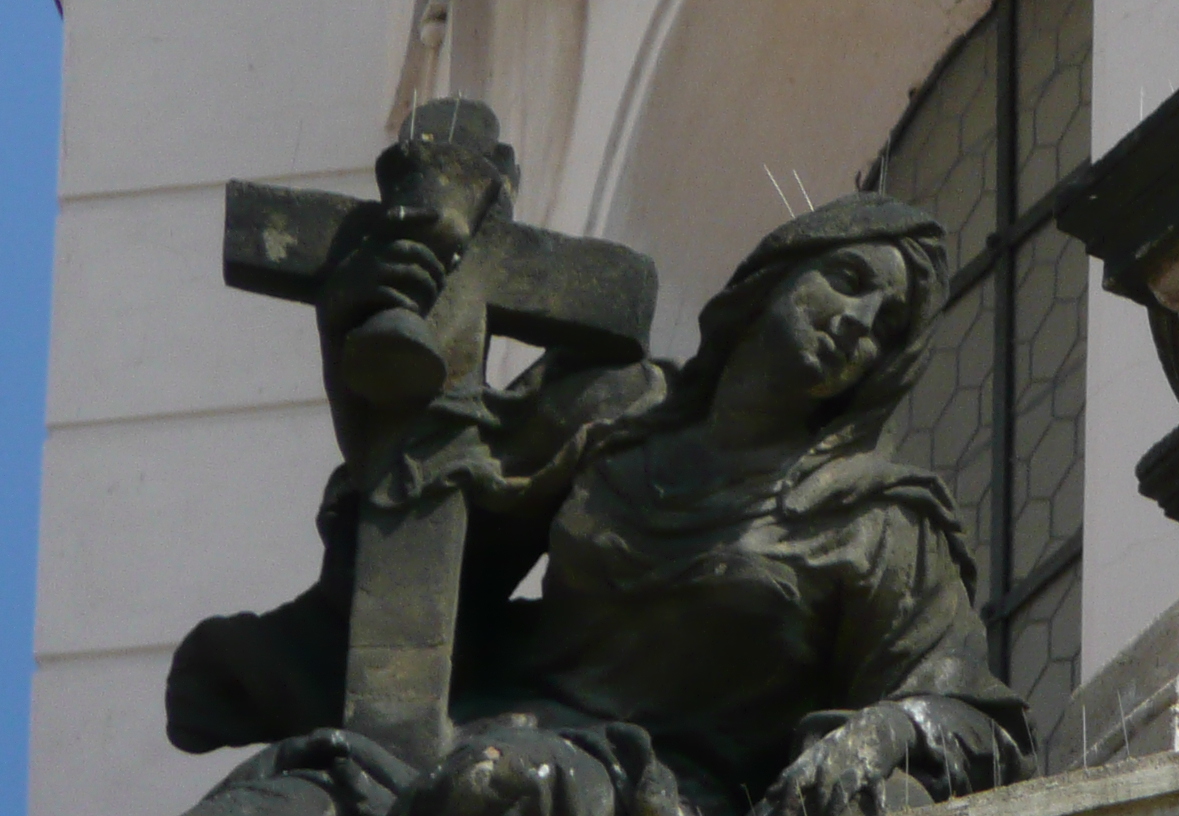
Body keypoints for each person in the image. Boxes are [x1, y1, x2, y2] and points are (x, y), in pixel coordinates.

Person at [172, 196, 1029, 816]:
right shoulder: (613, 411)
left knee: (503, 794)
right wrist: (360, 338)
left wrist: (886, 733)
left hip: (653, 792)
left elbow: (970, 711)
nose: (858, 323)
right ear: (769, 279)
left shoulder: (879, 522)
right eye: (847, 280)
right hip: (467, 733)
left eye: (884, 326)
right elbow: (423, 529)